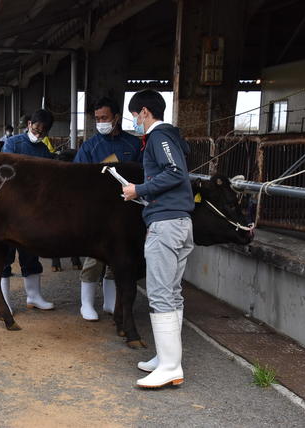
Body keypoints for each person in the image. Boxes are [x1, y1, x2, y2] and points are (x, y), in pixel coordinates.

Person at [122, 89, 194, 389]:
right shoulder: (170, 137)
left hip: (165, 224)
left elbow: (175, 172)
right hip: (178, 221)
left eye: (134, 115)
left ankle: (169, 366)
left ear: (144, 112)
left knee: (161, 293)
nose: (134, 121)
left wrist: (138, 190)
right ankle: (167, 358)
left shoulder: (158, 137)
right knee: (172, 293)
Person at [74, 96, 141, 321]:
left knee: (119, 258)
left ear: (116, 118)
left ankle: (110, 303)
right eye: (97, 118)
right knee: (93, 258)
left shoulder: (133, 144)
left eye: (104, 117)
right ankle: (86, 304)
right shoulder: (90, 146)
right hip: (96, 211)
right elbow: (76, 177)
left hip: (126, 211)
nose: (100, 122)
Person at [0, 109, 55, 312]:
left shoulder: (43, 149)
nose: (39, 133)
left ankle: (34, 296)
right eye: (36, 128)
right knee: (5, 253)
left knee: (31, 250)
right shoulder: (13, 142)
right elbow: (4, 169)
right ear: (29, 123)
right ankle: (4, 300)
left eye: (43, 131)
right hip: (9, 207)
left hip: (32, 209)